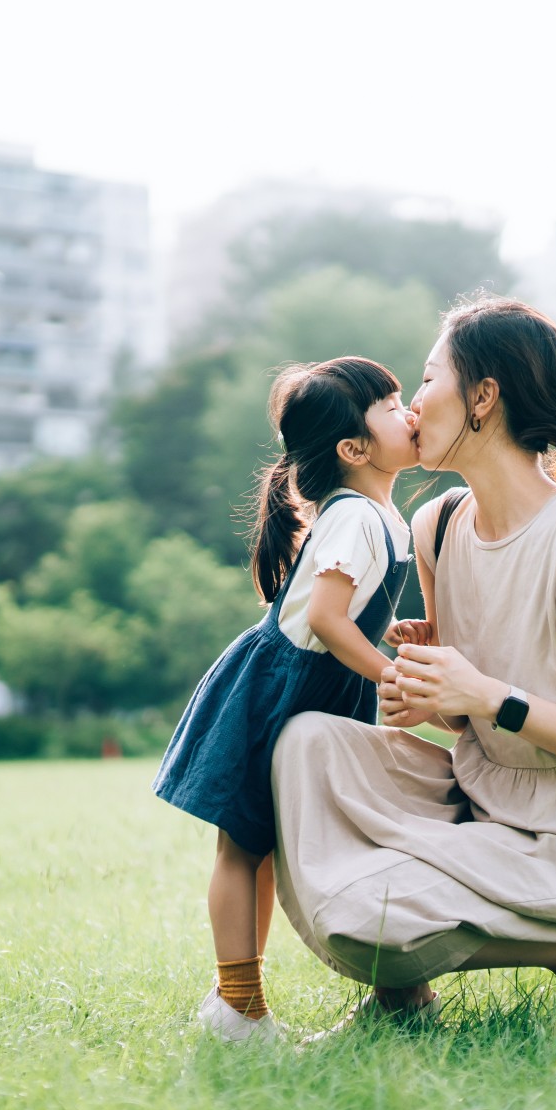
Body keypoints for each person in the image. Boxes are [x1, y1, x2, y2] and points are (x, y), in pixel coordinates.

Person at [270, 297, 556, 1033]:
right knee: (306, 744)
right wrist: (437, 693)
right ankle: (406, 998)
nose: (414, 404)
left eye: (426, 381)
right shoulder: (440, 523)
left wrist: (489, 695)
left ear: (483, 397)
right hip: (485, 793)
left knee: (371, 912)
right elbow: (468, 714)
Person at [152, 357, 419, 1045]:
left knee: (269, 846)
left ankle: (243, 1004)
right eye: (391, 406)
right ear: (353, 450)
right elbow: (326, 622)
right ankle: (237, 1009)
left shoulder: (381, 516)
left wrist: (387, 632)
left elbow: (343, 610)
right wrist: (388, 673)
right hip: (281, 688)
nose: (410, 411)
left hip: (317, 687)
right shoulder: (355, 516)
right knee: (244, 846)